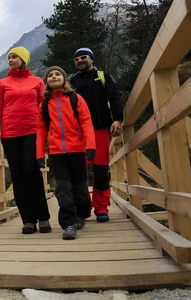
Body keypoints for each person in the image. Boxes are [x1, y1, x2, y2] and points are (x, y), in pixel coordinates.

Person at [0, 46, 51, 234]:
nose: (10, 59)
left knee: (32, 171)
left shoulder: (37, 81)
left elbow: (43, 105)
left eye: (14, 56)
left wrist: (47, 130)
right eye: (9, 57)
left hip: (32, 131)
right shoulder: (2, 83)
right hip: (10, 134)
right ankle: (28, 220)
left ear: (23, 59)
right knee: (18, 176)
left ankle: (43, 218)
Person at [37, 66, 96, 240]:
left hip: (77, 149)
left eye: (58, 74)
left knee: (80, 189)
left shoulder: (75, 99)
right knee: (62, 188)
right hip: (56, 152)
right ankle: (69, 223)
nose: (54, 77)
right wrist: (40, 154)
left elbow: (86, 122)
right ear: (46, 82)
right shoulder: (44, 105)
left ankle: (83, 212)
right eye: (50, 75)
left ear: (64, 79)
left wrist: (90, 146)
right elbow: (40, 131)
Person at [69, 48, 124, 223]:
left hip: (100, 129)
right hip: (78, 133)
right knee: (78, 172)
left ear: (91, 59)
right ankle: (81, 208)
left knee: (100, 169)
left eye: (83, 57)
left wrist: (117, 120)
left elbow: (115, 98)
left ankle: (101, 208)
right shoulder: (72, 82)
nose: (80, 60)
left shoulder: (103, 76)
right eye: (76, 59)